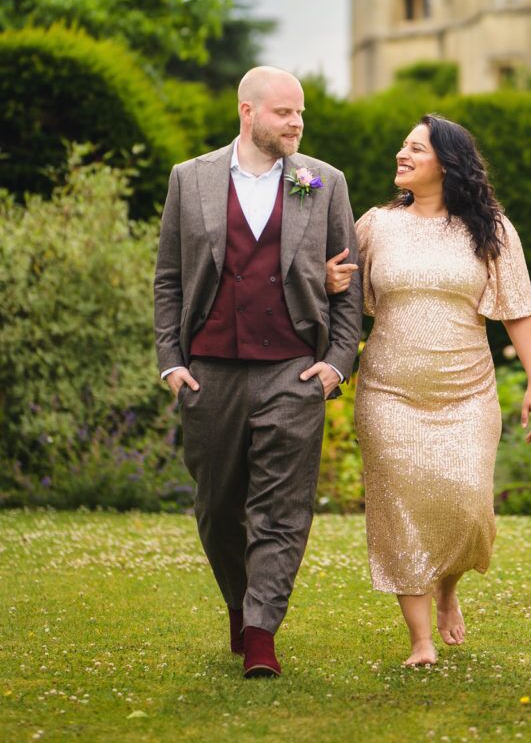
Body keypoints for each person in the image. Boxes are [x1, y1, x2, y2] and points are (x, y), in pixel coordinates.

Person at [154, 66, 362, 678]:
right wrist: (171, 362)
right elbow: (169, 278)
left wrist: (336, 363)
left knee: (282, 509)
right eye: (284, 112)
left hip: (293, 371)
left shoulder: (323, 181)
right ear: (247, 112)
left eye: (301, 113)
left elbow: (349, 285)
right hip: (210, 371)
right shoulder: (189, 178)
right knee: (218, 508)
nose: (297, 123)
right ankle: (239, 602)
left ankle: (261, 633)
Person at [326, 114, 531, 667]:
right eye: (402, 146)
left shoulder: (491, 229)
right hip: (389, 391)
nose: (402, 155)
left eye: (416, 148)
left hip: (468, 391)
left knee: (468, 505)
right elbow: (342, 294)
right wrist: (330, 280)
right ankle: (420, 640)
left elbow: (518, 309)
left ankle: (448, 587)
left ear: (447, 164)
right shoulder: (376, 224)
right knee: (399, 507)